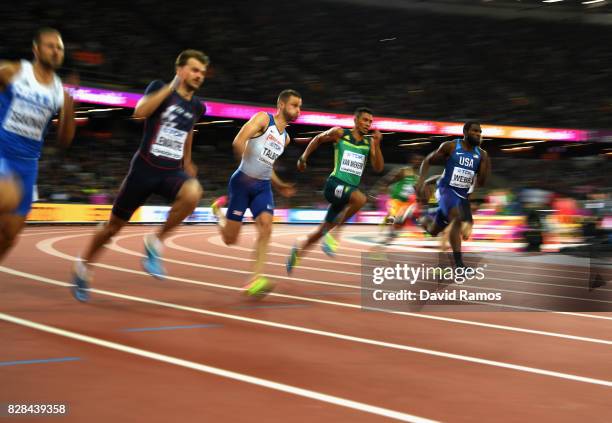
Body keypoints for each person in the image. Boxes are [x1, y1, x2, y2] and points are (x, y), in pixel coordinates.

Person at [71, 49, 208, 302]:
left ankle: (155, 242)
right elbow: (140, 112)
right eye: (194, 69)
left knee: (193, 193)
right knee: (113, 227)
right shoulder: (159, 88)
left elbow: (188, 131)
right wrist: (171, 87)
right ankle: (83, 266)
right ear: (180, 69)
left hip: (171, 172)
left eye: (202, 72)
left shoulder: (198, 106)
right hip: (144, 169)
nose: (199, 75)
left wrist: (187, 161)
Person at [210, 89, 301, 297]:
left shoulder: (285, 139)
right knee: (230, 239)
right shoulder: (263, 119)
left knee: (267, 227)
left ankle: (255, 279)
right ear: (281, 106)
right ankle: (216, 212)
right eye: (295, 105)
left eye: (300, 106)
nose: (299, 110)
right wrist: (248, 164)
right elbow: (238, 142)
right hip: (242, 183)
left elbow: (268, 165)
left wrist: (279, 185)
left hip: (263, 187)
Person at [0, 27, 75, 261]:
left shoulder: (59, 91)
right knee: (7, 197)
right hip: (2, 153)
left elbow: (64, 141)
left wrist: (69, 106)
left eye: (59, 48)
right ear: (36, 49)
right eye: (50, 46)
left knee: (10, 235)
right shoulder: (15, 71)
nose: (55, 51)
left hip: (28, 166)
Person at [286, 107, 384, 273]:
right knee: (360, 199)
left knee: (321, 231)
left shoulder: (369, 143)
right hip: (334, 185)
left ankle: (298, 251)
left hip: (347, 192)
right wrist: (304, 157)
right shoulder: (340, 134)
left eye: (370, 121)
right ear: (355, 120)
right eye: (365, 120)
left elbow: (378, 167)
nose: (368, 124)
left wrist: (377, 144)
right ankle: (335, 234)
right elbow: (318, 138)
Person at [415, 121, 490, 268]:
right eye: (475, 131)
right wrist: (421, 181)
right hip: (445, 189)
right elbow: (427, 161)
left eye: (480, 132)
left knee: (434, 231)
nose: (478, 134)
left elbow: (481, 182)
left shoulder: (481, 154)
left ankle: (422, 219)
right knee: (457, 219)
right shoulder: (450, 146)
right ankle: (459, 265)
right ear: (466, 132)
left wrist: (486, 163)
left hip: (462, 196)